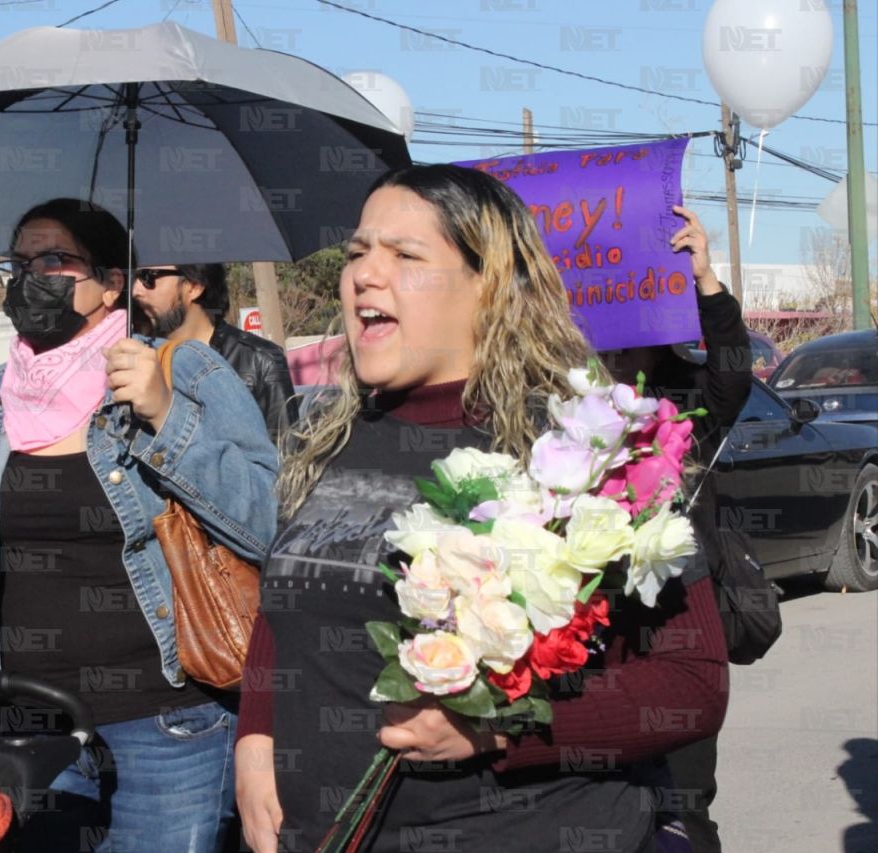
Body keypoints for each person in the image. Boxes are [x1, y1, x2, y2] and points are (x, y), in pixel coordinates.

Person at [234, 166, 729, 853]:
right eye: (357, 253)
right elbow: (285, 604)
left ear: (488, 286)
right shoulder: (327, 435)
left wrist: (496, 730)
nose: (364, 275)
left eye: (406, 256)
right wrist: (256, 736)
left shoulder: (582, 451)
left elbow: (691, 682)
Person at [0, 199, 278, 853]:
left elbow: (266, 520)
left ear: (109, 283)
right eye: (18, 263)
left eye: (54, 260)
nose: (29, 276)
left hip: (170, 724)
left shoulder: (184, 371)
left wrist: (166, 419)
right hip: (26, 733)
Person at [602, 206, 753, 853]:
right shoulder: (564, 403)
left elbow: (733, 377)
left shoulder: (684, 394)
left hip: (681, 636)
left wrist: (706, 280)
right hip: (595, 642)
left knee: (684, 810)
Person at [134, 263, 298, 439]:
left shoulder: (259, 361)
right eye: (134, 277)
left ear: (194, 287)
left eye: (148, 277)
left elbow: (285, 458)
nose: (136, 290)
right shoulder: (138, 358)